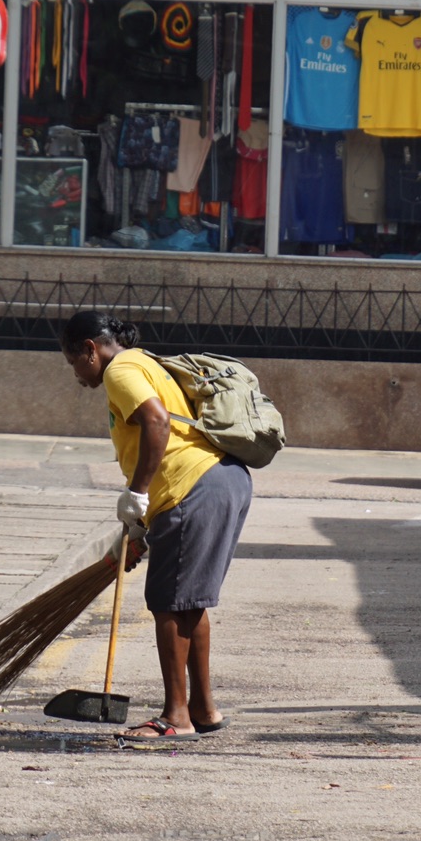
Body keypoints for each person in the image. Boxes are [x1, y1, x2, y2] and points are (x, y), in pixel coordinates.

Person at [59, 310, 251, 739]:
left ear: (90, 349)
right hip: (221, 481)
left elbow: (157, 422)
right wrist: (143, 526)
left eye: (74, 362)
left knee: (168, 602)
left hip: (194, 487)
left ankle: (174, 718)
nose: (76, 374)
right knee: (188, 602)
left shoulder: (120, 370)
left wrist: (138, 492)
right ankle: (203, 711)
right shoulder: (145, 360)